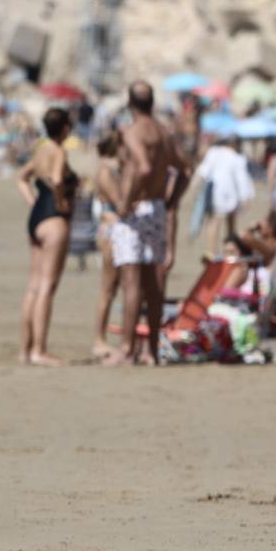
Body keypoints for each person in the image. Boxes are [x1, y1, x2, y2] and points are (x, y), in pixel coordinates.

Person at [106, 81, 190, 366]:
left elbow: (141, 166)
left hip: (138, 209)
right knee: (154, 285)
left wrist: (125, 203)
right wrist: (170, 201)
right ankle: (151, 350)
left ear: (130, 103)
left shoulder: (132, 132)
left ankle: (127, 349)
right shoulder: (164, 133)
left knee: (131, 283)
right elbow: (185, 169)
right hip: (156, 208)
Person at [17, 108, 78, 366]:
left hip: (36, 217)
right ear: (65, 128)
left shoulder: (41, 149)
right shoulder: (59, 151)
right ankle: (39, 350)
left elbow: (22, 178)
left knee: (33, 285)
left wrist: (32, 201)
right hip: (54, 218)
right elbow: (56, 179)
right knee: (47, 287)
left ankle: (25, 350)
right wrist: (62, 200)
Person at [91, 131, 124, 359]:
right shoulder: (107, 171)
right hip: (112, 230)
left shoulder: (110, 169)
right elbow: (119, 202)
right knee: (108, 287)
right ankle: (99, 339)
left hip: (113, 228)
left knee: (118, 287)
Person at [195, 133, 254, 256]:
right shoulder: (237, 157)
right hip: (231, 193)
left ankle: (212, 251)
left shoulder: (214, 153)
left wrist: (195, 187)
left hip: (216, 192)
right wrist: (246, 197)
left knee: (214, 221)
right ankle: (230, 250)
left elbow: (203, 171)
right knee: (230, 222)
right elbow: (242, 179)